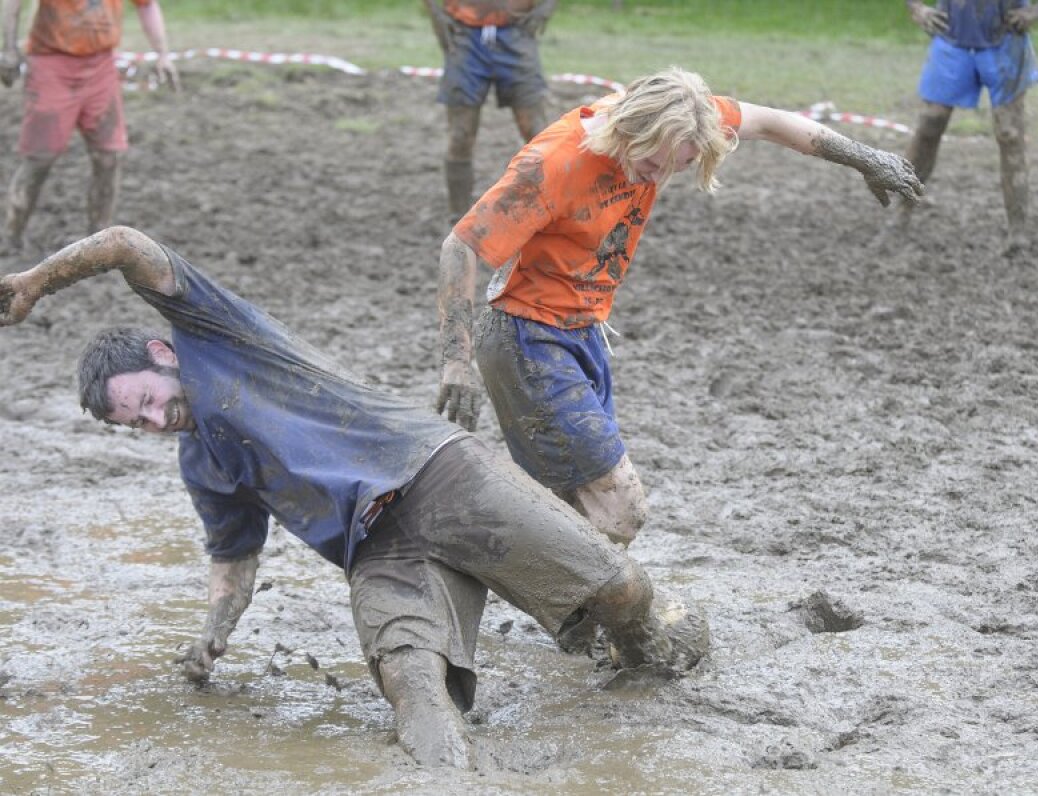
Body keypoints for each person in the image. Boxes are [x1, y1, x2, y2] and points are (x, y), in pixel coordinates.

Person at [0, 225, 708, 769]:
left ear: (161, 355)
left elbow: (127, 245)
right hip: (377, 553)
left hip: (436, 472)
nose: (157, 421)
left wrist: (36, 280)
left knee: (621, 593)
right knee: (413, 688)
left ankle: (655, 657)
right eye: (139, 424)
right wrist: (213, 632)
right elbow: (233, 559)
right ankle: (446, 778)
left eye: (149, 402)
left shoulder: (217, 334)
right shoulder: (203, 465)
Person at [433, 67, 922, 649]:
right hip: (526, 339)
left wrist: (864, 156)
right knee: (619, 512)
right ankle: (472, 555)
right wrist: (455, 362)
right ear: (630, 133)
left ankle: (569, 622)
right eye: (650, 166)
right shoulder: (556, 163)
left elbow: (771, 121)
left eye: (679, 167)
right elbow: (461, 245)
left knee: (579, 514)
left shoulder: (684, 116)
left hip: (583, 333)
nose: (661, 178)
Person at [0, 0, 180, 254]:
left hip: (100, 65)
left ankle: (99, 238)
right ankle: (12, 236)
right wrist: (8, 49)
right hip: (51, 63)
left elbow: (147, 5)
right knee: (40, 159)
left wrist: (163, 55)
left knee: (109, 156)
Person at [901, 0, 1038, 253]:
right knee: (930, 123)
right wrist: (916, 8)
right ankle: (899, 215)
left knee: (1009, 133)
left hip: (1006, 38)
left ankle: (1018, 234)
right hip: (951, 36)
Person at [423, 0, 556, 221]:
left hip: (517, 31)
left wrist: (547, 7)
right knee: (460, 135)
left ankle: (551, 209)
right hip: (465, 36)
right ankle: (459, 219)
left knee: (536, 131)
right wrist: (435, 12)